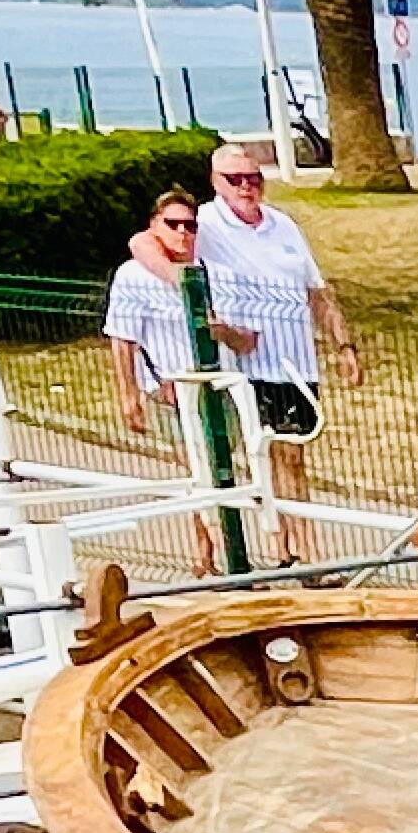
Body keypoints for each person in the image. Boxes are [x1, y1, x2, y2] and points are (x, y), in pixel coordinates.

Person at [192, 141, 361, 565]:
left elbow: (316, 290)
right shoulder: (205, 225)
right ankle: (284, 549)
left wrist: (344, 344)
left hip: (295, 362)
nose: (246, 187)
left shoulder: (282, 225)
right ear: (216, 183)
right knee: (260, 457)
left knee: (293, 456)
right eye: (235, 180)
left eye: (253, 178)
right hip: (244, 366)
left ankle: (298, 550)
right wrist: (222, 327)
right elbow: (157, 252)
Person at [103, 183, 238, 572]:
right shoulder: (133, 276)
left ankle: (222, 550)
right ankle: (209, 555)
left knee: (221, 471)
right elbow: (122, 339)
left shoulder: (211, 272)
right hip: (171, 393)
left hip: (218, 389)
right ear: (154, 226)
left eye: (190, 226)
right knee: (198, 471)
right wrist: (130, 394)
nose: (183, 233)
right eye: (173, 224)